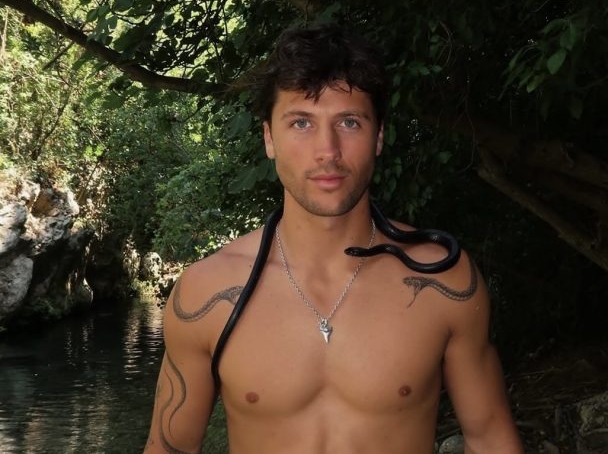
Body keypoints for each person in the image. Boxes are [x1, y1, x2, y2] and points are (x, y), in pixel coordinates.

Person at [143, 23, 524, 454]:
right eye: (301, 122)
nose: (328, 150)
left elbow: (490, 438)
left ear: (379, 136)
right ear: (269, 138)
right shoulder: (206, 293)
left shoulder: (443, 280)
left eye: (349, 122)